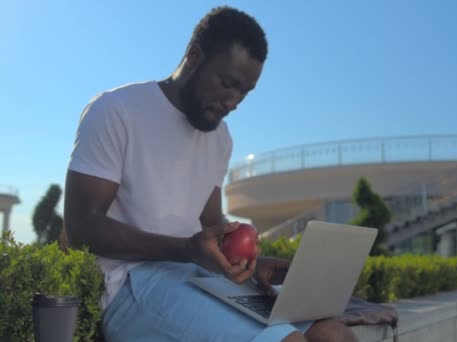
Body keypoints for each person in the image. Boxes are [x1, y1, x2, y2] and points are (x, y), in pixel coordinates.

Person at [63, 6, 357, 342]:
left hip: (198, 278)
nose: (233, 101)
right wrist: (186, 249)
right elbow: (82, 226)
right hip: (129, 284)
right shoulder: (116, 110)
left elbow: (211, 223)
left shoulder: (221, 138)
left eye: (244, 92)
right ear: (194, 56)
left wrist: (249, 266)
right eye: (227, 83)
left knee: (333, 335)